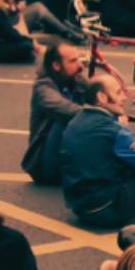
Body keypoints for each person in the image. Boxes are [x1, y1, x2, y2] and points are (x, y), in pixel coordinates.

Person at [58, 73, 135, 229]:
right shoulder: (113, 130)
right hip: (109, 212)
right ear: (102, 97)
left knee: (125, 163)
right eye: (118, 93)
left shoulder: (76, 120)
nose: (124, 98)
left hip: (81, 208)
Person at [23, 38, 85, 185]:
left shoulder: (74, 79)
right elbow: (66, 108)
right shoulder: (43, 86)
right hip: (44, 166)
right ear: (56, 65)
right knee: (67, 118)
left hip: (63, 156)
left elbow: (98, 95)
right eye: (73, 61)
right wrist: (104, 114)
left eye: (79, 59)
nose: (80, 65)